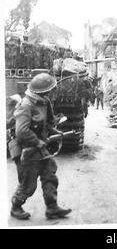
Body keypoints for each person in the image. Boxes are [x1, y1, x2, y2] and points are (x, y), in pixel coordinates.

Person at [10, 73, 72, 220]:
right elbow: (21, 131)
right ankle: (16, 207)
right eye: (49, 90)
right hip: (28, 151)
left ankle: (52, 207)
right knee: (28, 184)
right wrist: (37, 142)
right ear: (42, 91)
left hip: (41, 150)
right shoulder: (26, 105)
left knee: (49, 175)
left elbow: (47, 123)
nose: (50, 92)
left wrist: (54, 131)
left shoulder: (44, 102)